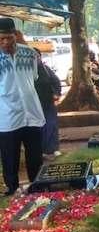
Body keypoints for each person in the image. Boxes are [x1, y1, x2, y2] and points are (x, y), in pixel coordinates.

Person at [0, 17, 45, 196]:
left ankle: (37, 188)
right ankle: (12, 190)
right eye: (0, 38)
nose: (4, 42)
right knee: (10, 157)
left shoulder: (30, 53)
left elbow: (33, 78)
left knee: (35, 155)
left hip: (32, 113)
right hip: (7, 116)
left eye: (8, 38)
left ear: (15, 35)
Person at [34, 48, 62, 161]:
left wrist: (56, 93)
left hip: (48, 102)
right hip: (34, 105)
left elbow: (56, 81)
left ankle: (54, 148)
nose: (35, 59)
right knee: (39, 128)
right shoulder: (26, 71)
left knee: (51, 125)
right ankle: (41, 150)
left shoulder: (46, 69)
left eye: (37, 56)